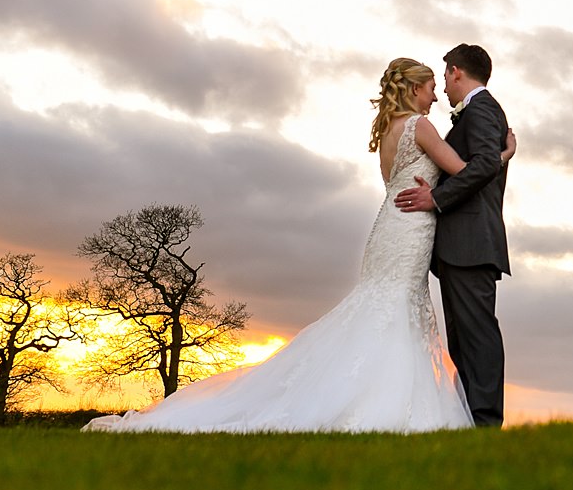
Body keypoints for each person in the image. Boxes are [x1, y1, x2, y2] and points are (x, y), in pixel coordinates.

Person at [83, 57, 515, 433]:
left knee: (383, 306)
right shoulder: (420, 126)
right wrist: (504, 153)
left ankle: (367, 391)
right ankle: (383, 401)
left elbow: (397, 183)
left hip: (390, 226)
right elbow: (463, 169)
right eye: (431, 89)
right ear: (415, 89)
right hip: (410, 228)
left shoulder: (389, 131)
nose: (435, 97)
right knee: (395, 307)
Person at [394, 43, 509, 427]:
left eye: (445, 75)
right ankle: (469, 420)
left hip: (472, 243)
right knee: (463, 342)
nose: (442, 85)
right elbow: (481, 165)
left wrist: (436, 198)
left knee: (479, 336)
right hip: (462, 246)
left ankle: (486, 422)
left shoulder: (482, 110)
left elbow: (480, 167)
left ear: (457, 71)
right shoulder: (475, 114)